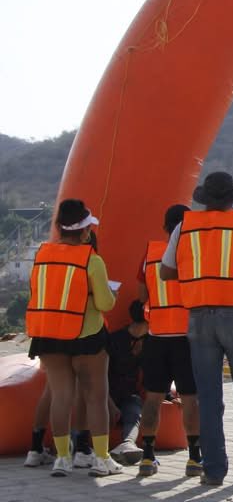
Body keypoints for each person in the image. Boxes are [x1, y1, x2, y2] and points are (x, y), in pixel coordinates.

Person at [160, 172, 233, 486]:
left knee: (208, 397)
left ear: (205, 199)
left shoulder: (184, 226)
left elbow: (166, 271)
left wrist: (197, 271)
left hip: (199, 317)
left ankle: (213, 471)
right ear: (230, 199)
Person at [26, 199, 122, 477]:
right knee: (96, 396)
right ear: (85, 232)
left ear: (58, 228)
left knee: (60, 396)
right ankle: (101, 459)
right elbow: (105, 304)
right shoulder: (91, 260)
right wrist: (107, 294)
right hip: (86, 336)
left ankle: (62, 458)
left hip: (48, 333)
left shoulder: (42, 255)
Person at [137, 204, 202, 478]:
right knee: (190, 399)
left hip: (156, 337)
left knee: (152, 399)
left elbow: (142, 295)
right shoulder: (194, 254)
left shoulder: (151, 253)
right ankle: (194, 459)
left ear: (165, 227)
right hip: (187, 338)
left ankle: (148, 457)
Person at [106, 299, 149, 466]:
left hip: (129, 395)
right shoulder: (115, 340)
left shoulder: (150, 342)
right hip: (106, 394)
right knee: (98, 409)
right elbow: (99, 377)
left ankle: (127, 444)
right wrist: (109, 402)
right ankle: (79, 444)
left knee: (134, 409)